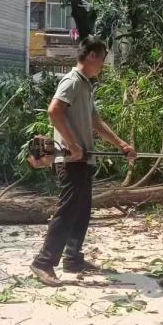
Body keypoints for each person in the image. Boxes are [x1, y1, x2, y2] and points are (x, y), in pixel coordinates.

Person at [30, 37, 135, 286]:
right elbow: (54, 111)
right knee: (68, 210)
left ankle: (72, 258)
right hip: (70, 160)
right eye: (102, 58)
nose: (103, 65)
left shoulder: (85, 86)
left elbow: (96, 122)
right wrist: (73, 145)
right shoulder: (72, 81)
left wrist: (121, 144)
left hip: (85, 161)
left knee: (82, 211)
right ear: (91, 56)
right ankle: (43, 262)